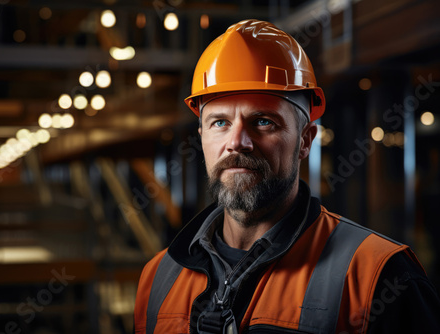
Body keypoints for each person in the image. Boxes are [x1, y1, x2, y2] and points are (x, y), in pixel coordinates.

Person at [134, 19, 440, 334]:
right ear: (202, 137)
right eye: (220, 122)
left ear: (305, 140)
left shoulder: (379, 275)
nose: (238, 141)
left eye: (263, 121)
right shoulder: (158, 278)